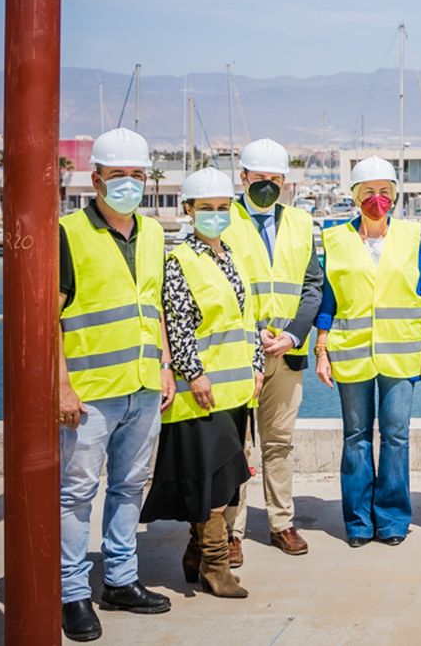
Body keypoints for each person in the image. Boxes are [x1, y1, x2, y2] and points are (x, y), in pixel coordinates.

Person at [56, 127, 174, 642]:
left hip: (144, 384)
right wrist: (61, 387)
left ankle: (121, 580)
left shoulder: (153, 233)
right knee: (76, 493)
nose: (128, 183)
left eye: (136, 175)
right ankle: (72, 592)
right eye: (117, 175)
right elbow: (48, 319)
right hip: (90, 390)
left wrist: (167, 364)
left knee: (130, 487)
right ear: (95, 178)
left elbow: (154, 305)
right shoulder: (67, 232)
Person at [141, 167, 262, 599]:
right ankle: (215, 564)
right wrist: (193, 372)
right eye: (206, 208)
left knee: (230, 480)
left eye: (223, 208)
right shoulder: (180, 262)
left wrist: (258, 363)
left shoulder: (232, 257)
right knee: (210, 482)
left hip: (236, 389)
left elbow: (248, 320)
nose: (215, 214)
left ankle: (195, 555)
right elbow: (177, 326)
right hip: (202, 392)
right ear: (188, 210)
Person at [315, 155, 421, 546]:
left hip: (400, 354)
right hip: (351, 351)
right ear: (354, 197)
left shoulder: (411, 236)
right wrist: (321, 349)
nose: (376, 199)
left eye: (384, 192)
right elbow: (327, 300)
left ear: (394, 197)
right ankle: (359, 522)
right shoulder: (335, 239)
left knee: (396, 436)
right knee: (356, 437)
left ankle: (393, 520)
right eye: (368, 192)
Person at [220, 137, 323, 559]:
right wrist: (253, 333)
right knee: (237, 445)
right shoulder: (223, 220)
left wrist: (294, 335)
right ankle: (231, 532)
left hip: (287, 351)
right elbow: (217, 285)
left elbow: (312, 286)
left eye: (274, 179)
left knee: (279, 442)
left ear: (285, 181)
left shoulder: (300, 222)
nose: (266, 185)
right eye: (258, 178)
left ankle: (282, 522)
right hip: (240, 354)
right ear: (242, 178)